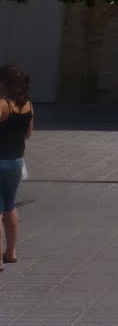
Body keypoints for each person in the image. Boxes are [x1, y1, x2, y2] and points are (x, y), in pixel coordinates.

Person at [0, 65, 33, 270]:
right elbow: (28, 134)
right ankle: (11, 253)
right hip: (16, 160)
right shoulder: (28, 106)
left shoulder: (3, 105)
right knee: (10, 206)